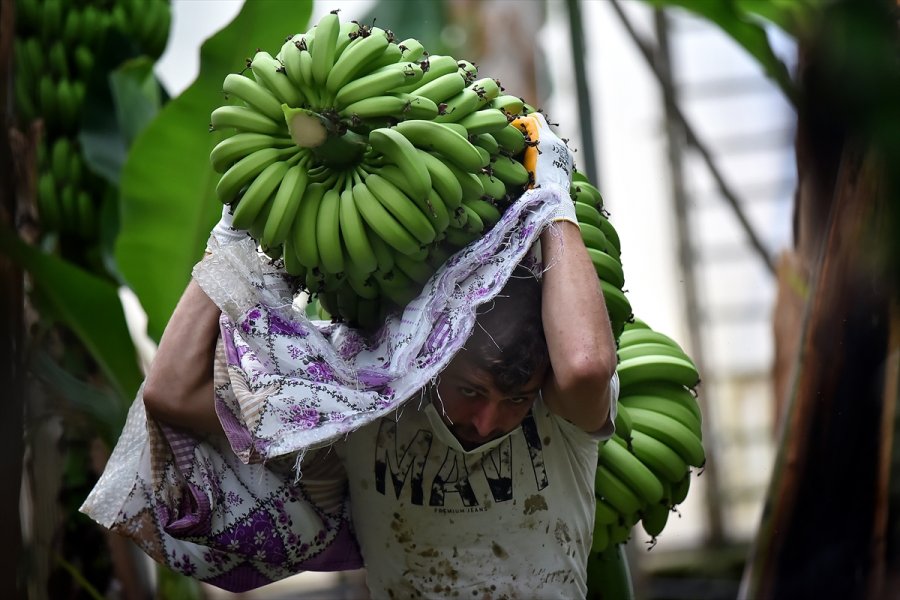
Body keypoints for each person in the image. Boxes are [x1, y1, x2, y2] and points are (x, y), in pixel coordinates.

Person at [84, 113, 619, 597]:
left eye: (515, 398)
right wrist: (236, 237)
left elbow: (587, 364)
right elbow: (171, 393)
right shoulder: (363, 400)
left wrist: (551, 201)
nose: (486, 421)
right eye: (471, 391)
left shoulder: (562, 421)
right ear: (432, 356)